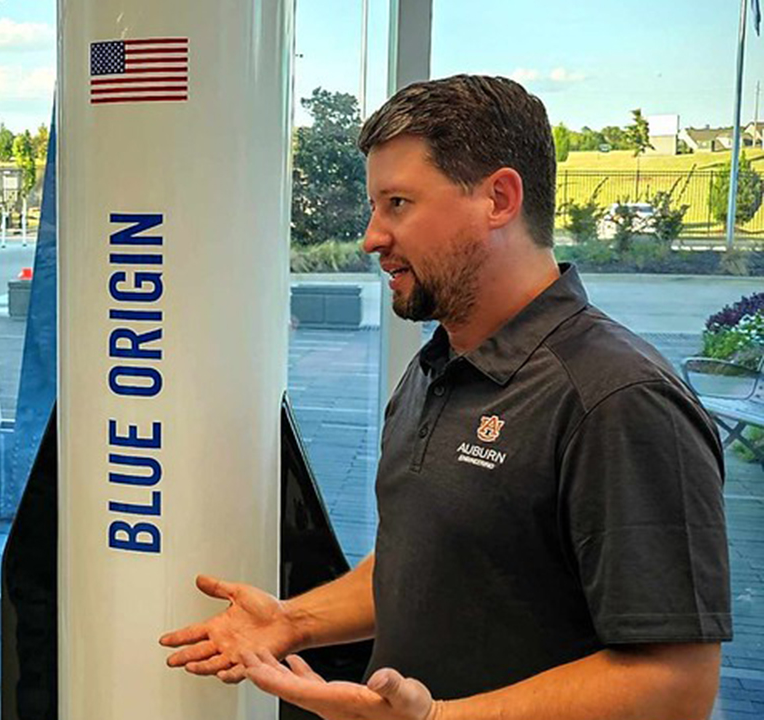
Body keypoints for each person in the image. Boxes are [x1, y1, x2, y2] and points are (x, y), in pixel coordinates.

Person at [160, 74, 730, 720]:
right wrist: (293, 620)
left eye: (398, 203)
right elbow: (430, 563)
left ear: (499, 198)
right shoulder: (435, 368)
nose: (372, 237)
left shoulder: (617, 399)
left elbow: (677, 684)